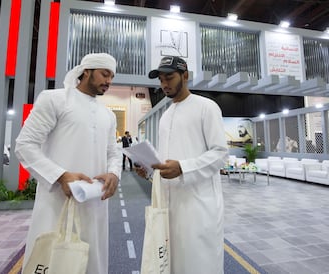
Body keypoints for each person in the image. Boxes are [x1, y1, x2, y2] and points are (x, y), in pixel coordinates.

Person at [15, 53, 122, 274]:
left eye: (112, 76)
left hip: (96, 204)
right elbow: (25, 145)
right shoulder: (54, 99)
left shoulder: (108, 115)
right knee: (52, 261)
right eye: (104, 74)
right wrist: (61, 175)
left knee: (93, 260)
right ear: (86, 72)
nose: (109, 81)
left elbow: (113, 152)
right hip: (57, 201)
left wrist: (113, 173)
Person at [137, 56, 228, 274]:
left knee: (200, 264)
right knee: (172, 263)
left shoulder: (206, 107)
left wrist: (183, 168)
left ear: (185, 76)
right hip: (169, 205)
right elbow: (169, 158)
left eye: (169, 77)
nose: (164, 83)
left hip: (198, 206)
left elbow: (220, 154)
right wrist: (150, 169)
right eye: (161, 79)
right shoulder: (165, 116)